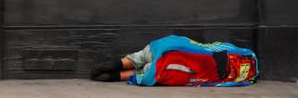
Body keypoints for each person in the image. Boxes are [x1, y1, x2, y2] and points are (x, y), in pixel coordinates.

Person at [90, 35, 259, 86]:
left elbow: (213, 45)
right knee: (139, 72)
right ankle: (114, 76)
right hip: (165, 69)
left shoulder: (229, 50)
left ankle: (117, 64)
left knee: (138, 57)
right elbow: (224, 84)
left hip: (166, 48)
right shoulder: (225, 78)